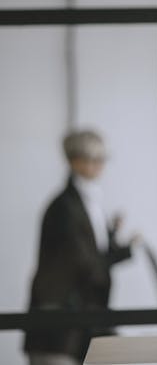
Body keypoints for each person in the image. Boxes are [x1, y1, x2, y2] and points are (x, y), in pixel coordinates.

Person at [24, 130, 137, 365]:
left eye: (102, 159)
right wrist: (122, 251)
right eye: (94, 159)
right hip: (60, 334)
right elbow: (84, 263)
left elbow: (90, 254)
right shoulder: (65, 207)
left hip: (78, 330)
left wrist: (115, 239)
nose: (100, 166)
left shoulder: (87, 202)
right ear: (75, 161)